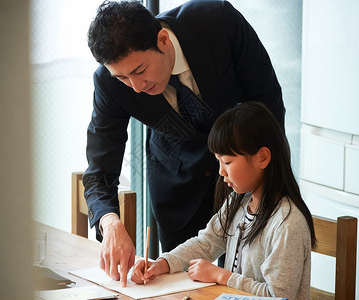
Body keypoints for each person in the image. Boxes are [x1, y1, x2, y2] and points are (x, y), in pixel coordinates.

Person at [83, 0, 286, 287]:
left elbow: (268, 103)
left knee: (246, 280)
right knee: (180, 288)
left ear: (163, 41)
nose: (136, 87)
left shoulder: (218, 21)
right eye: (123, 77)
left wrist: (264, 183)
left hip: (244, 175)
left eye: (140, 70)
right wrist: (111, 222)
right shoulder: (108, 84)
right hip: (176, 185)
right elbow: (99, 171)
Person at [130, 102, 316, 299]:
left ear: (262, 158)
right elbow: (206, 243)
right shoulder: (239, 201)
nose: (221, 171)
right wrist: (162, 264)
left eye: (227, 162)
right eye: (218, 161)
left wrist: (222, 275)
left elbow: (277, 295)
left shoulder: (287, 224)